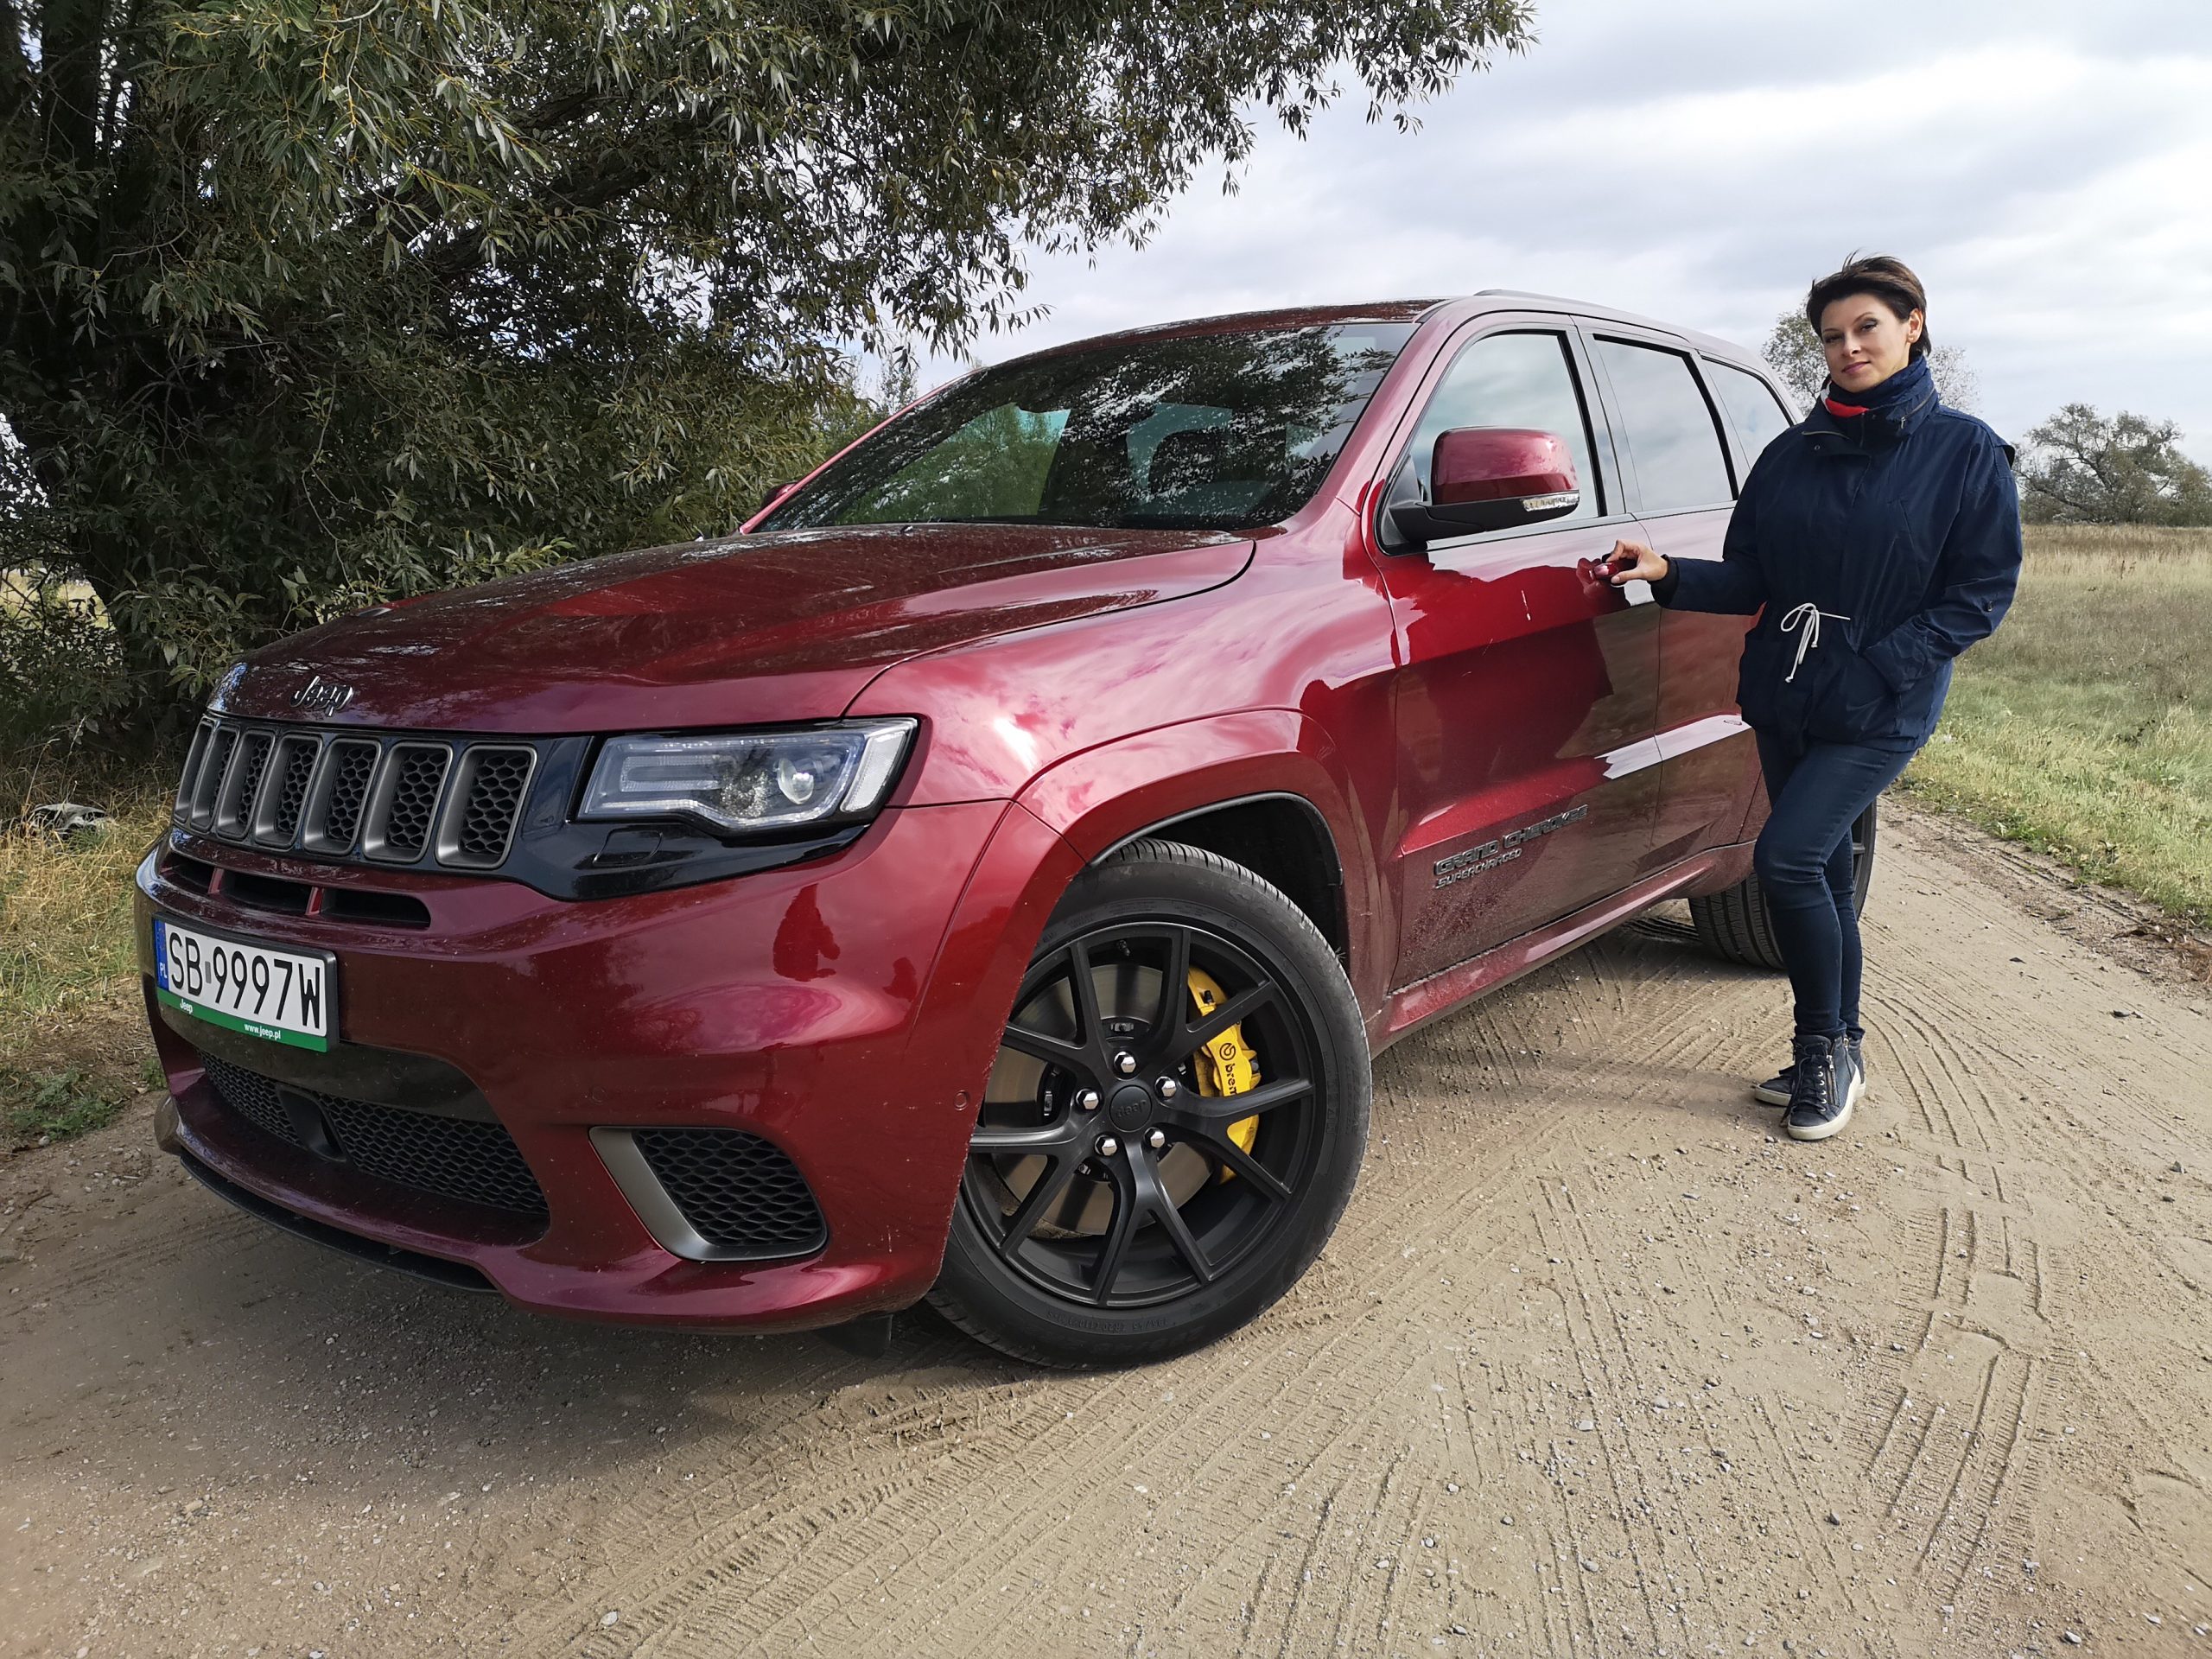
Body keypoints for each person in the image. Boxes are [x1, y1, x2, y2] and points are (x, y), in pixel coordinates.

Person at [1607, 255, 2022, 1142]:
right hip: (1785, 690)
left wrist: (1882, 664)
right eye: (1831, 336)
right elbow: (1753, 577)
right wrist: (1667, 573)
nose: (1847, 347)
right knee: (1825, 876)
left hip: (1879, 701)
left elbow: (1980, 592)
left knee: (1788, 860)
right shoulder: (1787, 456)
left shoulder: (1966, 452)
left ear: (1912, 324)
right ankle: (1842, 1045)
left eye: (1866, 326)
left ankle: (1819, 1047)